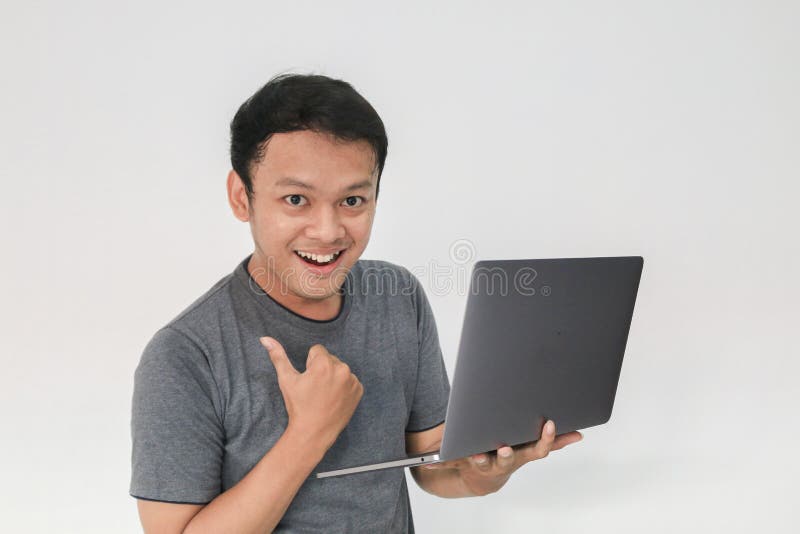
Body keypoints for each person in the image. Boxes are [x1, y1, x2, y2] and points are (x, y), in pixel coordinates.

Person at [129, 73, 583, 533]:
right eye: (296, 199)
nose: (327, 231)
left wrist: (483, 472)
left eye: (352, 200)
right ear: (240, 196)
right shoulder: (184, 355)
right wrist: (308, 433)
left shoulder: (399, 297)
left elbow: (431, 467)